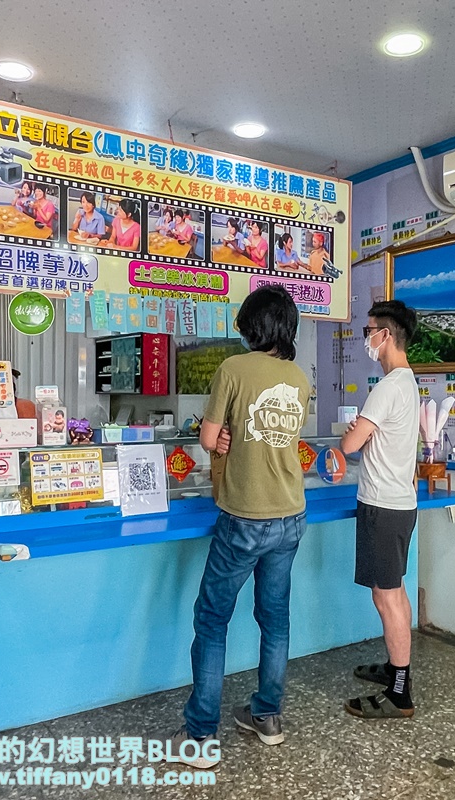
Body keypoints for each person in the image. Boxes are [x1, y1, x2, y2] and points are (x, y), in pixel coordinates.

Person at [173, 284, 312, 769]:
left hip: (244, 516)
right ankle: (268, 716)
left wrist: (220, 435)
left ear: (254, 326)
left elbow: (210, 438)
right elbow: (282, 439)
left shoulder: (233, 368)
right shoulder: (299, 378)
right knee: (274, 619)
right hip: (291, 513)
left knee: (212, 621)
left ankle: (202, 736)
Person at [339, 300, 421, 719]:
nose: (367, 338)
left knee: (386, 598)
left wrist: (353, 434)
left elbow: (351, 446)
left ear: (386, 335)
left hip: (382, 507)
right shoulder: (407, 382)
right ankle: (396, 668)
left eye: (369, 330)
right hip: (401, 504)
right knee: (396, 592)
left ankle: (400, 692)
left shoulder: (387, 387)